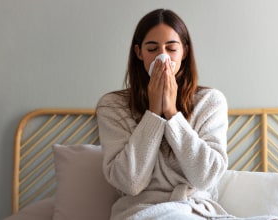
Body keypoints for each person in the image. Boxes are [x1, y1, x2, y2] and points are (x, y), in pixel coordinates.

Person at [96, 9, 230, 219]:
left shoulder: (210, 102)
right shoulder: (113, 106)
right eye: (152, 48)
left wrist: (172, 113)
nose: (163, 57)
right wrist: (153, 114)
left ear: (184, 51)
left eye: (171, 48)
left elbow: (205, 178)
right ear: (139, 52)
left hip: (193, 211)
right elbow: (130, 183)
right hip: (139, 211)